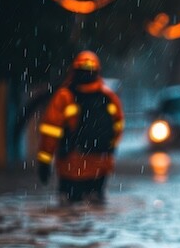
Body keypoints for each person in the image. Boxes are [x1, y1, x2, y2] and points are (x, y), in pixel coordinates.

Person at [37, 50, 125, 204]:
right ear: (97, 72)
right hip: (100, 166)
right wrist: (109, 150)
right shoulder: (109, 96)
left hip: (71, 166)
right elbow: (118, 127)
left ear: (74, 71)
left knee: (69, 211)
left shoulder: (64, 96)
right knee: (95, 208)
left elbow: (50, 132)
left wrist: (44, 161)